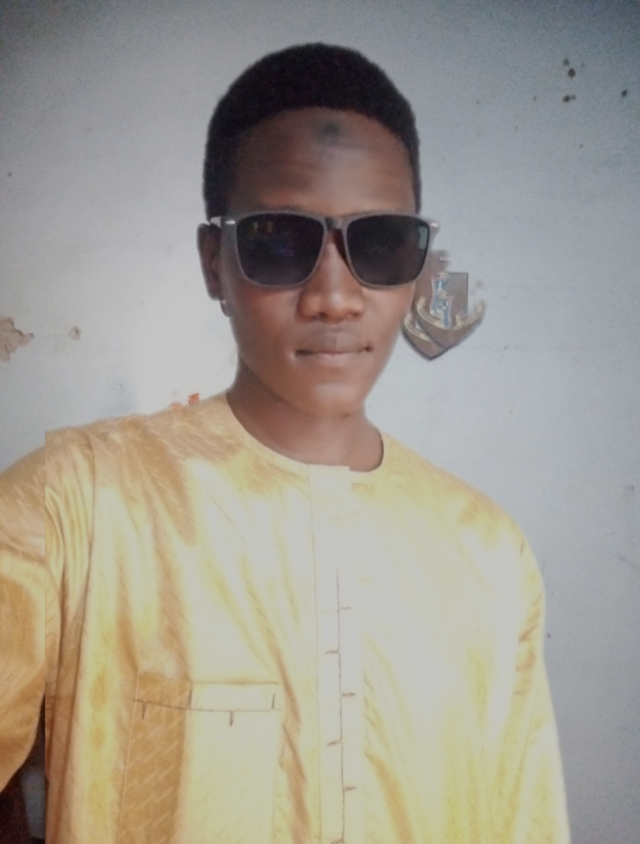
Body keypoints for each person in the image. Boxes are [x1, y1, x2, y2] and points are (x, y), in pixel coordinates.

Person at [0, 43, 570, 843]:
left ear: (416, 265)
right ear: (215, 263)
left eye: (380, 242)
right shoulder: (70, 510)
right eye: (277, 240)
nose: (335, 297)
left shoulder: (489, 553)